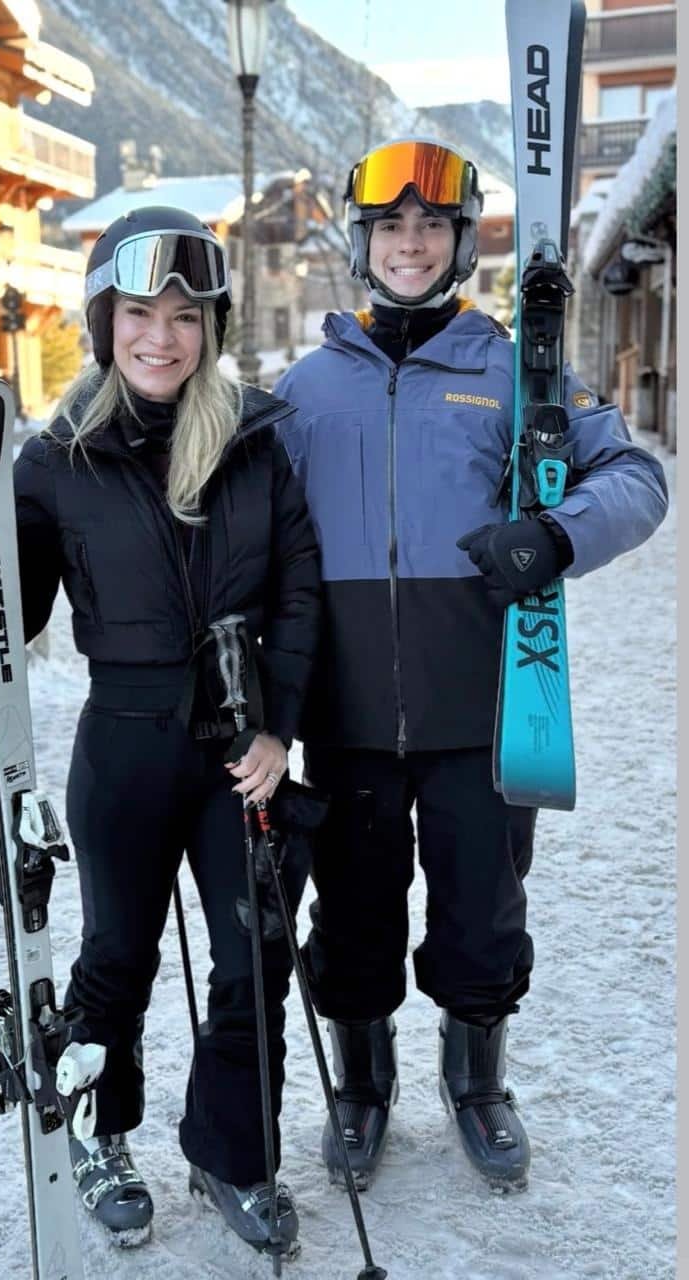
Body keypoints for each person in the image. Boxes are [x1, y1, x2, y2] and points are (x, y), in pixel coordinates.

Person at [274, 138, 668, 1191]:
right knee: (352, 913)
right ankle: (362, 1085)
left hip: (485, 710)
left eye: (431, 226)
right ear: (361, 242)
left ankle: (477, 1080)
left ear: (459, 243)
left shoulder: (512, 374)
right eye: (390, 226)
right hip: (345, 715)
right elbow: (232, 515)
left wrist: (555, 535)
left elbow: (635, 478)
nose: (410, 243)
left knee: (483, 914)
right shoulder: (306, 391)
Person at [0, 207, 321, 1253]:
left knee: (253, 956)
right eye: (140, 312)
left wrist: (278, 728)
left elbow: (299, 592)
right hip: (126, 739)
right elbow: (11, 611)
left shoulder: (255, 441)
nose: (162, 336)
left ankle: (232, 1151)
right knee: (116, 956)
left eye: (186, 316)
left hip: (238, 743)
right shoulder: (59, 460)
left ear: (212, 328)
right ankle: (105, 1138)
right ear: (104, 322)